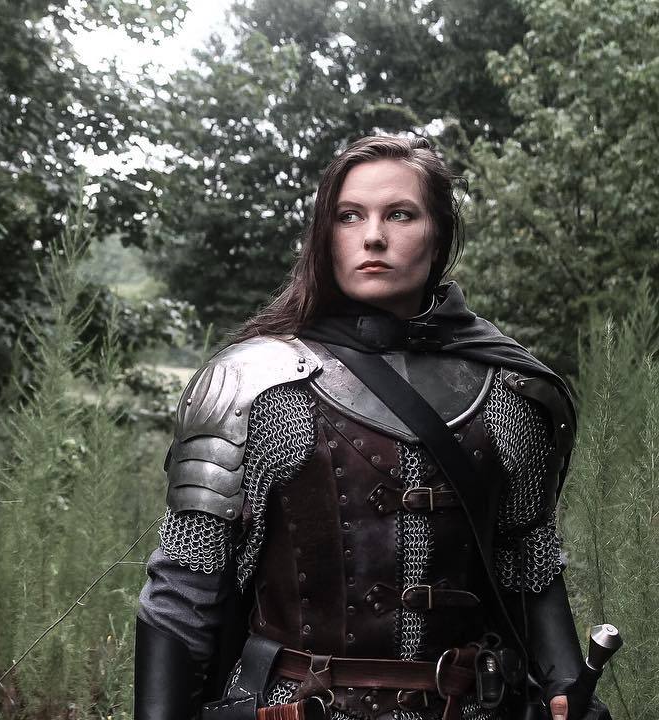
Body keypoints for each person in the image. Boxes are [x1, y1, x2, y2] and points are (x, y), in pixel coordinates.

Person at [134, 136, 609, 720]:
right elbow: (184, 595)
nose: (373, 236)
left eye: (400, 214)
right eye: (349, 215)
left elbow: (531, 565)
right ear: (324, 236)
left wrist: (565, 686)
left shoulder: (510, 394)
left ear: (438, 236)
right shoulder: (254, 385)